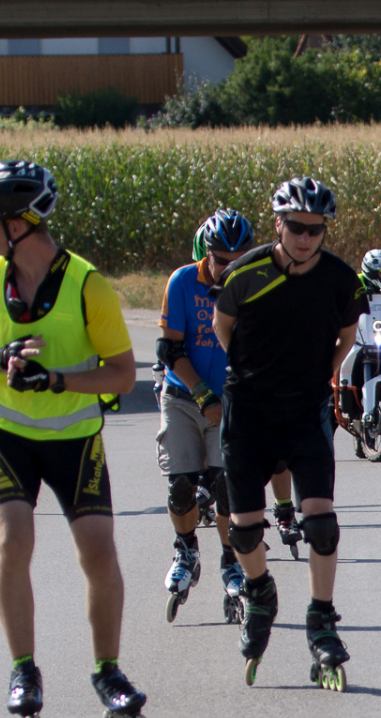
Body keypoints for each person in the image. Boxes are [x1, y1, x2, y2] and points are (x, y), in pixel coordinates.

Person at [0, 160, 149, 718]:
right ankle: (23, 669)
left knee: (98, 551)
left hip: (73, 437)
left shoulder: (88, 286)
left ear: (18, 224)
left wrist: (58, 380)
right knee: (13, 542)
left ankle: (107, 671)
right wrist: (0, 358)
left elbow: (122, 375)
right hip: (7, 432)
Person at [212, 177, 367, 690]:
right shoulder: (244, 272)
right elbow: (222, 326)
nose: (305, 238)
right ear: (278, 224)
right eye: (296, 227)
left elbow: (346, 337)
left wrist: (318, 374)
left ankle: (321, 617)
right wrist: (253, 371)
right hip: (249, 410)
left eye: (315, 230)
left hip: (305, 409)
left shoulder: (340, 279)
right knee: (244, 530)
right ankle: (260, 591)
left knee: (320, 524)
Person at [158, 209, 253, 626]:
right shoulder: (182, 282)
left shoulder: (254, 287)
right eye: (220, 261)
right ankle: (186, 549)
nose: (227, 270)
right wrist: (202, 395)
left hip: (229, 402)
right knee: (181, 487)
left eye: (237, 262)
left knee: (224, 487)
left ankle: (230, 560)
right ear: (206, 255)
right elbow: (169, 350)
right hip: (183, 396)